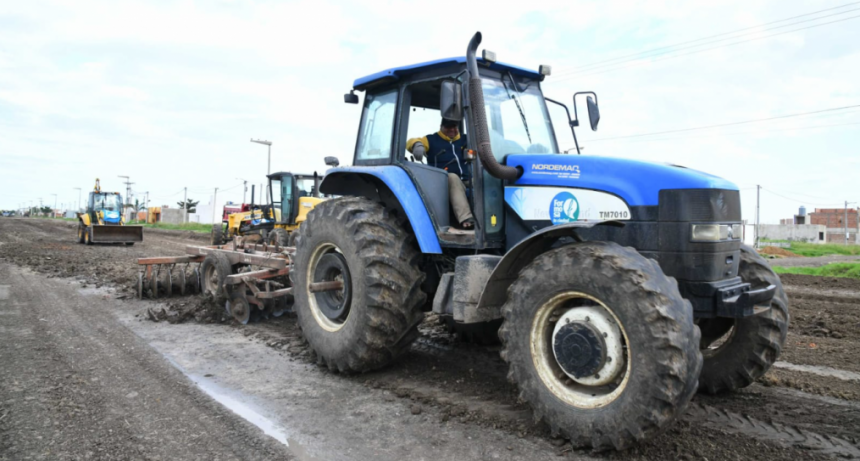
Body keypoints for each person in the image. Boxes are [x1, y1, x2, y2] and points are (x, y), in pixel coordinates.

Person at [406, 118, 475, 229]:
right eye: (448, 127)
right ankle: (466, 218)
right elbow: (411, 141)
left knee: (485, 180)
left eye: (454, 127)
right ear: (441, 126)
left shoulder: (466, 139)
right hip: (442, 181)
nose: (452, 129)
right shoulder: (431, 139)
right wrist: (416, 145)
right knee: (452, 177)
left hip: (467, 179)